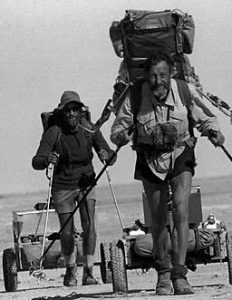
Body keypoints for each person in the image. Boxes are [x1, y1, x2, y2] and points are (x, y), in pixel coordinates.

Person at [110, 52, 225, 295]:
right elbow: (117, 129)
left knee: (182, 209)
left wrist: (213, 131)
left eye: (163, 74)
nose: (158, 80)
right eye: (152, 76)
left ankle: (180, 274)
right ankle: (163, 273)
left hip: (181, 152)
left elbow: (205, 117)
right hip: (149, 158)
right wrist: (123, 136)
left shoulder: (184, 91)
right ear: (146, 77)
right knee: (158, 218)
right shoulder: (135, 96)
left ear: (171, 73)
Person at [32, 91, 116, 287]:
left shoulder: (89, 130)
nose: (71, 114)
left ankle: (88, 271)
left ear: (81, 112)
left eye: (75, 110)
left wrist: (107, 155)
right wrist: (47, 160)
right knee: (67, 232)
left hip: (87, 182)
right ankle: (71, 269)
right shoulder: (54, 132)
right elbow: (36, 161)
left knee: (90, 227)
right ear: (62, 113)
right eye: (67, 110)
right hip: (63, 186)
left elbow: (110, 154)